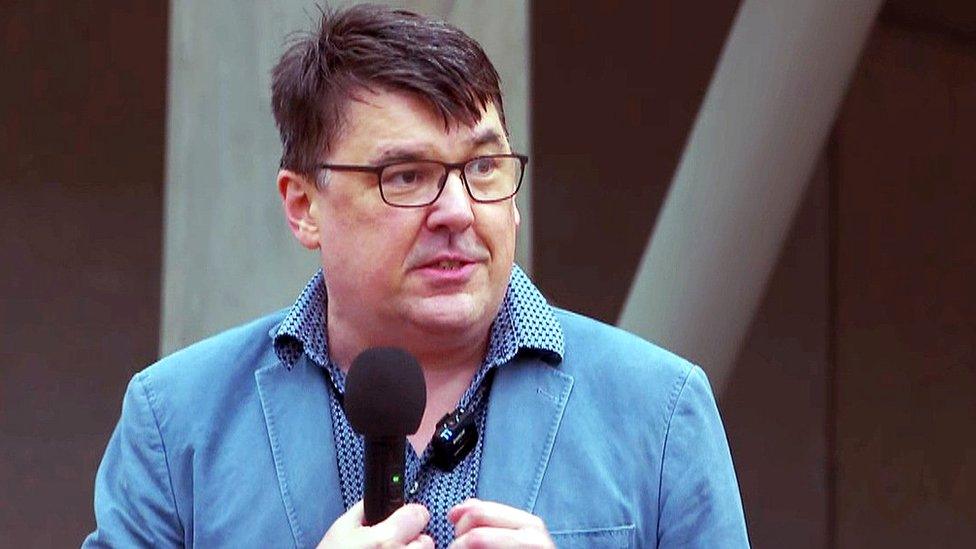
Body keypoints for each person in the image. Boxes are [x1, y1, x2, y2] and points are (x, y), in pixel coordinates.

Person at [84, 4, 748, 548]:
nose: (457, 211)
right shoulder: (178, 421)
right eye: (406, 176)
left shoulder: (660, 411)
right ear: (302, 205)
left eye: (484, 168)